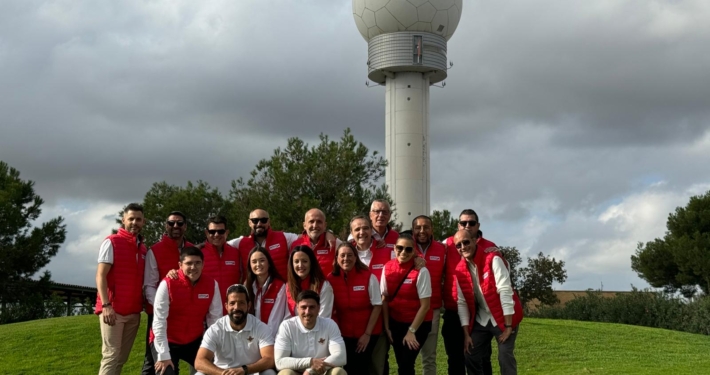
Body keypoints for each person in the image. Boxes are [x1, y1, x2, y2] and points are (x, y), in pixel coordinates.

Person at [453, 230, 523, 375]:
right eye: (458, 245)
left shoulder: (493, 259)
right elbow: (462, 303)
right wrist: (466, 335)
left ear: (474, 240)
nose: (463, 247)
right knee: (470, 354)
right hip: (483, 318)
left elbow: (505, 290)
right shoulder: (459, 270)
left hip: (505, 317)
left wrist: (508, 326)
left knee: (505, 357)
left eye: (466, 242)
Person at [441, 209, 497, 375]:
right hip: (453, 310)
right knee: (455, 358)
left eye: (471, 223)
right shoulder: (447, 245)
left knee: (482, 358)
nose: (467, 225)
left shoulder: (489, 247)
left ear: (478, 225)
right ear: (458, 225)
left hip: (479, 313)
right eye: (463, 223)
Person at [151, 246, 222, 375]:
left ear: (203, 264)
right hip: (168, 340)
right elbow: (159, 321)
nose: (193, 267)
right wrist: (163, 354)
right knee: (165, 372)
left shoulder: (212, 284)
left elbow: (214, 319)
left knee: (212, 370)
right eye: (189, 263)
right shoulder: (168, 284)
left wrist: (214, 348)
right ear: (180, 265)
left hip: (194, 340)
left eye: (197, 263)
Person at [96, 203, 148, 375]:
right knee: (111, 357)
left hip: (133, 312)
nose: (134, 222)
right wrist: (106, 305)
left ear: (143, 222)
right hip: (113, 311)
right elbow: (100, 276)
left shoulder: (143, 248)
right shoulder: (112, 242)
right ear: (123, 220)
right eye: (131, 218)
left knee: (121, 359)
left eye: (138, 219)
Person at [143, 211, 194, 375]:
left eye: (180, 223)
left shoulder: (193, 249)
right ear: (166, 226)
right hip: (159, 314)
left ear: (185, 226)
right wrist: (161, 305)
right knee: (152, 363)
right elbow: (149, 286)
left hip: (186, 315)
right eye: (171, 223)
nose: (176, 226)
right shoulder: (155, 250)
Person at [195, 284, 276, 375]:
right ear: (226, 306)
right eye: (232, 303)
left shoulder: (260, 327)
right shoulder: (216, 329)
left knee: (269, 373)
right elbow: (199, 362)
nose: (236, 307)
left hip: (250, 372)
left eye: (241, 303)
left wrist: (244, 370)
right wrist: (223, 373)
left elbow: (270, 359)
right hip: (223, 373)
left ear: (248, 305)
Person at [381, 233, 432, 375]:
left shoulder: (422, 271)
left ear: (414, 251)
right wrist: (387, 327)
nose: (403, 252)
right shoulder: (387, 267)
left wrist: (411, 331)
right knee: (401, 363)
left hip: (419, 324)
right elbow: (384, 298)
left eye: (408, 249)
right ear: (394, 248)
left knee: (406, 363)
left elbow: (425, 306)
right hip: (396, 323)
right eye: (400, 248)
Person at [327, 243, 382, 375]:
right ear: (337, 258)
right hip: (344, 334)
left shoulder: (368, 276)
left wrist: (367, 334)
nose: (346, 258)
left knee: (365, 368)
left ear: (356, 258)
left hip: (368, 333)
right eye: (343, 255)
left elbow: (377, 305)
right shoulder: (330, 279)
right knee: (348, 368)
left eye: (350, 255)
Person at [274, 290, 347, 375]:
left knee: (338, 372)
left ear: (318, 308)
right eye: (303, 307)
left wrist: (311, 371)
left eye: (312, 307)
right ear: (297, 308)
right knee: (285, 373)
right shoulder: (286, 326)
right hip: (297, 372)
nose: (307, 312)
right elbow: (279, 362)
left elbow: (341, 357)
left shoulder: (330, 324)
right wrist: (310, 362)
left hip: (322, 371)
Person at [412, 215, 447, 375]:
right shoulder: (405, 247)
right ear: (412, 229)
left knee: (429, 357)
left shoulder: (442, 249)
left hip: (432, 310)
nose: (422, 231)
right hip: (408, 310)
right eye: (418, 227)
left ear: (432, 229)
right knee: (406, 358)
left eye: (426, 227)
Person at [245, 245, 289, 338]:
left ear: (269, 263)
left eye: (262, 260)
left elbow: (275, 320)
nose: (258, 264)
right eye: (254, 262)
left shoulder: (279, 286)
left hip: (272, 339)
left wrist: (266, 341)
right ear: (250, 265)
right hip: (251, 339)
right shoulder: (247, 286)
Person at [201, 215, 242, 314]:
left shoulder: (235, 253)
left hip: (231, 312)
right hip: (206, 313)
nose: (216, 235)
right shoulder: (198, 254)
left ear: (226, 232)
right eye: (212, 232)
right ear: (206, 233)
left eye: (221, 231)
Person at [285, 246, 333, 318]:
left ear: (311, 263)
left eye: (304, 261)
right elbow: (288, 317)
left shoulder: (324, 286)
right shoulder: (289, 286)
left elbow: (324, 317)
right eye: (296, 261)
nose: (300, 265)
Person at [290, 209, 340, 276]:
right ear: (304, 225)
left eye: (319, 222)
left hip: (329, 286)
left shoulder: (335, 243)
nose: (315, 225)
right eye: (311, 221)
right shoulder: (296, 245)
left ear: (325, 225)